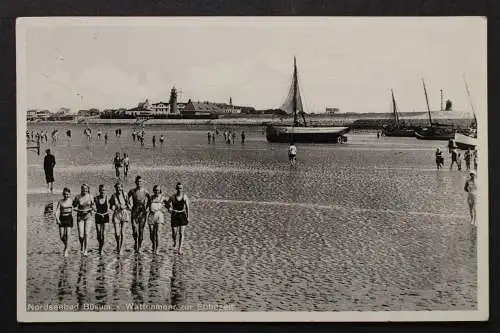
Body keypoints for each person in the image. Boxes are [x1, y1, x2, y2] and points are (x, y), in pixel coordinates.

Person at [128, 176, 150, 253]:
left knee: (141, 230)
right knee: (134, 230)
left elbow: (150, 200)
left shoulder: (145, 191)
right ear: (135, 182)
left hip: (142, 212)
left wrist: (147, 208)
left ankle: (139, 246)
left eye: (140, 181)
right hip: (134, 211)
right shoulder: (132, 191)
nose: (139, 183)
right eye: (137, 181)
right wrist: (129, 206)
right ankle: (135, 242)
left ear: (142, 182)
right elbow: (127, 198)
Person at [166, 182, 190, 255]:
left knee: (181, 233)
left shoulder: (185, 197)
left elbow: (187, 208)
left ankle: (180, 249)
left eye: (181, 188)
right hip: (174, 215)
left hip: (182, 215)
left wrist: (188, 217)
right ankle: (175, 242)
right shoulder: (173, 197)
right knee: (174, 233)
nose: (179, 189)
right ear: (176, 189)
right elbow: (167, 203)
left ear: (182, 189)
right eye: (178, 188)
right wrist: (169, 209)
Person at [72, 184, 95, 256]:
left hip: (88, 217)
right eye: (83, 188)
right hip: (80, 217)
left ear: (88, 189)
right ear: (81, 189)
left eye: (86, 189)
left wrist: (92, 208)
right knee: (81, 235)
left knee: (87, 234)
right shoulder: (78, 197)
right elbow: (74, 206)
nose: (84, 190)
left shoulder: (91, 196)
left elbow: (93, 206)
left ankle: (85, 250)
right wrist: (76, 209)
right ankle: (81, 246)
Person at [109, 182, 131, 255]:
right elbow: (111, 206)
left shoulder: (125, 195)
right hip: (116, 214)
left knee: (122, 232)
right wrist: (113, 207)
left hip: (124, 213)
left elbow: (129, 205)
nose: (118, 189)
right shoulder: (113, 196)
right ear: (115, 188)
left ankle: (121, 248)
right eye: (117, 188)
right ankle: (118, 245)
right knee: (117, 233)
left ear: (122, 188)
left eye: (120, 187)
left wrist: (124, 207)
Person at [147, 185, 168, 254]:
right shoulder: (151, 198)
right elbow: (147, 206)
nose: (157, 191)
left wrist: (165, 209)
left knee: (158, 233)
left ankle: (157, 249)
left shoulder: (163, 198)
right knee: (152, 233)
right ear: (153, 191)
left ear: (160, 191)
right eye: (155, 190)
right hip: (151, 216)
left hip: (159, 215)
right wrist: (148, 209)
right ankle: (154, 245)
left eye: (158, 190)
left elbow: (168, 205)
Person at [55, 188, 74, 257]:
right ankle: (67, 245)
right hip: (62, 218)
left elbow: (76, 207)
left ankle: (66, 250)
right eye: (65, 194)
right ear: (63, 194)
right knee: (62, 236)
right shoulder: (60, 201)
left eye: (67, 194)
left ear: (69, 194)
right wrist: (57, 219)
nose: (66, 196)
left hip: (69, 218)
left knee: (68, 235)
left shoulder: (72, 201)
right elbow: (57, 211)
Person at [94, 185, 109, 255]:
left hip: (105, 216)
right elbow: (93, 206)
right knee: (99, 234)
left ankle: (101, 248)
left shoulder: (107, 198)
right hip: (98, 216)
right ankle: (100, 245)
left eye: (104, 190)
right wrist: (94, 209)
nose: (102, 192)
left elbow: (109, 208)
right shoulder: (96, 198)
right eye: (101, 190)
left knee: (104, 234)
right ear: (99, 191)